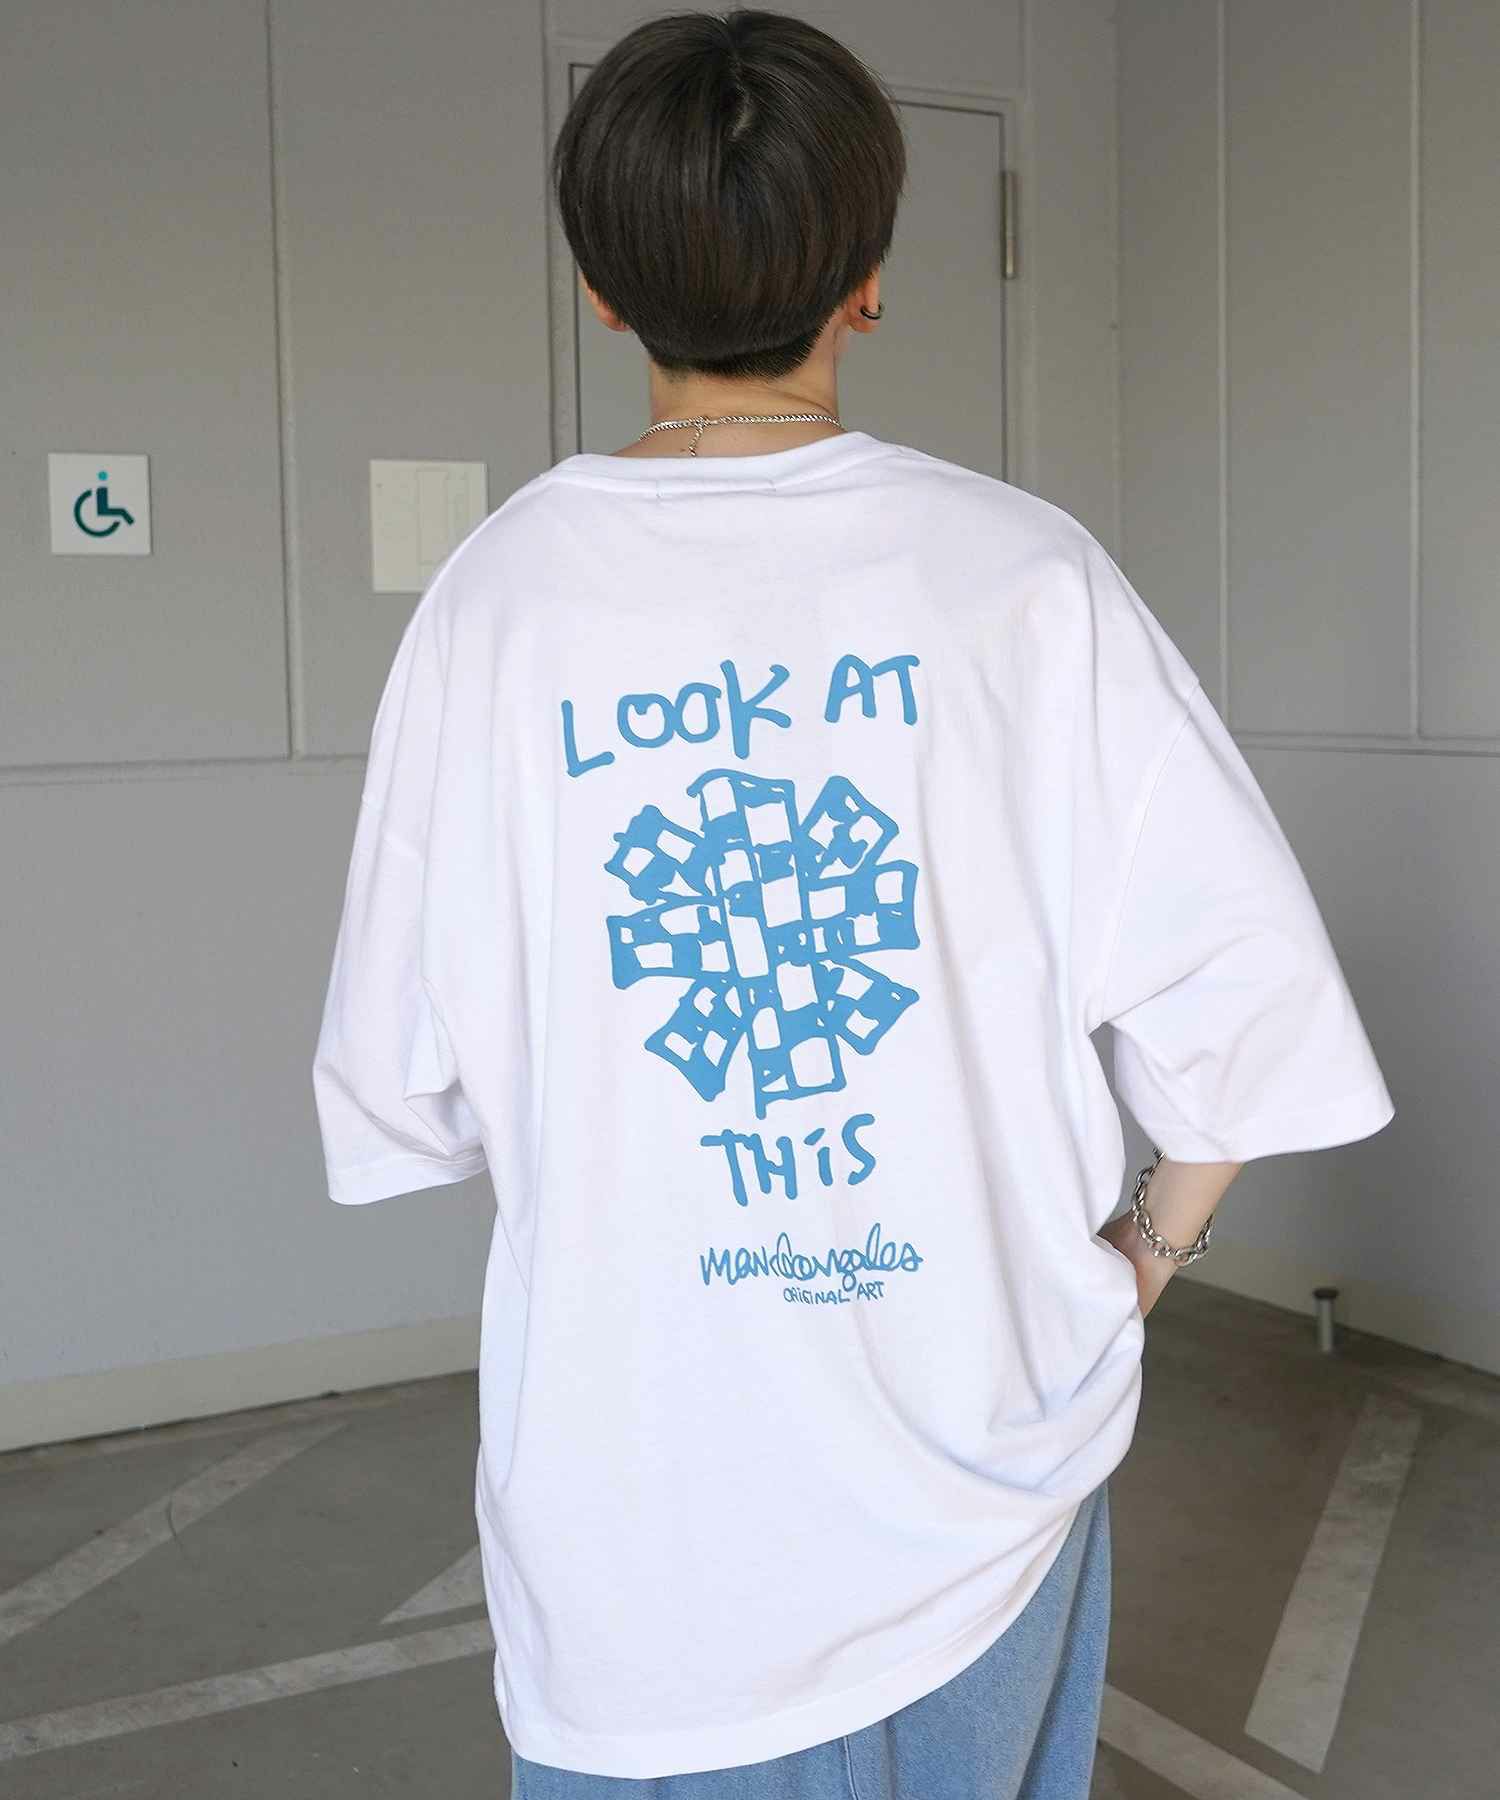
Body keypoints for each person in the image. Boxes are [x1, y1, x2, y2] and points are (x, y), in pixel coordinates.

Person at [310, 8, 1395, 1795]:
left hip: (641, 1534)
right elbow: (1248, 1010)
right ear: (869, 279)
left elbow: (406, 1085)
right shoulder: (1028, 581)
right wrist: (1139, 1262)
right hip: (988, 1475)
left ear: (601, 293)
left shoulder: (492, 608)